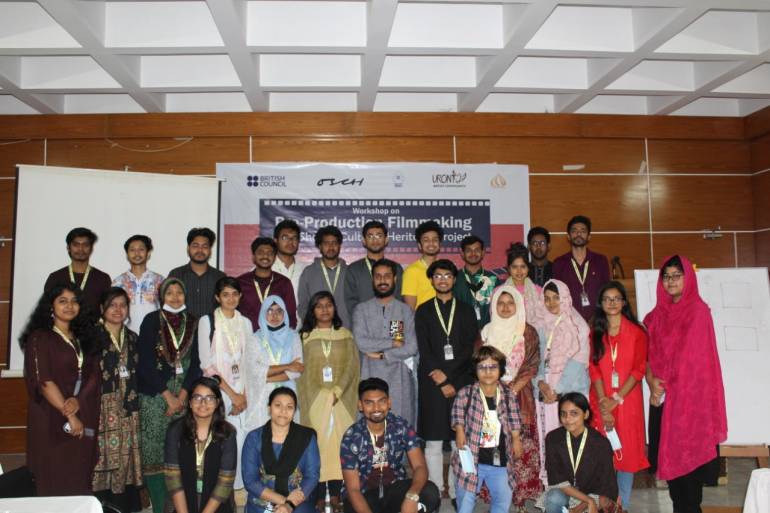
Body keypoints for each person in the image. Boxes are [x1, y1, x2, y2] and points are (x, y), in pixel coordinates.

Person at [644, 255, 727, 513]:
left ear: (687, 278)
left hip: (690, 408)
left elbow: (694, 361)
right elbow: (648, 356)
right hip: (664, 403)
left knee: (690, 486)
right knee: (675, 487)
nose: (670, 281)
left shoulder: (698, 312)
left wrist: (668, 383)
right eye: (666, 276)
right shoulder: (657, 316)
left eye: (676, 276)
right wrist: (651, 380)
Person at [20, 283, 101, 496]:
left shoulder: (84, 337)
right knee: (55, 476)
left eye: (74, 301)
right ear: (51, 305)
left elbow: (93, 375)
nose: (69, 306)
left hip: (83, 411)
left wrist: (78, 400)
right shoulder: (40, 338)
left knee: (79, 475)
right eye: (62, 301)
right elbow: (44, 381)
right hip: (51, 416)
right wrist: (70, 415)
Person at [414, 259, 477, 504]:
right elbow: (424, 348)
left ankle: (456, 487)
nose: (443, 280)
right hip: (432, 381)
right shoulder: (423, 310)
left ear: (454, 279)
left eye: (447, 276)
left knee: (458, 438)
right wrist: (440, 379)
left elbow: (468, 347)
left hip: (460, 380)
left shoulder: (466, 310)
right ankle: (436, 488)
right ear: (431, 280)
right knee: (433, 440)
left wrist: (449, 377)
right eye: (438, 276)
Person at [138, 277, 202, 513]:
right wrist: (168, 396)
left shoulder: (194, 322)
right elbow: (144, 363)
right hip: (155, 398)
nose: (175, 297)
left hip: (184, 398)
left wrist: (183, 396)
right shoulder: (151, 320)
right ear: (161, 296)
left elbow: (197, 363)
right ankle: (159, 508)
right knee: (154, 457)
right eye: (169, 293)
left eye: (179, 292)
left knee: (180, 453)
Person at [198, 276, 269, 492]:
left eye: (235, 294)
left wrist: (244, 395)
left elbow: (249, 360)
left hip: (243, 392)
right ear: (217, 297)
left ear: (240, 296)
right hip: (218, 392)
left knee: (242, 442)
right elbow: (207, 365)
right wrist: (233, 395)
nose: (230, 299)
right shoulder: (207, 321)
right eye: (225, 294)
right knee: (220, 442)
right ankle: (218, 491)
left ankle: (240, 489)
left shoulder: (245, 323)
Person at [296, 291, 360, 510]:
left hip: (342, 401)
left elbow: (352, 366)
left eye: (328, 305)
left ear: (335, 308)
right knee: (319, 445)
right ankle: (317, 494)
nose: (324, 309)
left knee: (340, 445)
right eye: (319, 306)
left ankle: (336, 494)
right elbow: (302, 371)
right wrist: (322, 394)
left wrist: (338, 391)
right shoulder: (304, 337)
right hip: (315, 401)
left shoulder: (346, 335)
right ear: (312, 310)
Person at [588, 281, 649, 509]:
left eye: (616, 299)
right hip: (601, 399)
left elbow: (639, 370)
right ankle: (604, 504)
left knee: (626, 452)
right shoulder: (596, 333)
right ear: (601, 304)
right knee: (603, 453)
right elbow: (593, 368)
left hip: (627, 400)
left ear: (624, 302)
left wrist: (617, 399)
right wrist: (604, 402)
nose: (612, 303)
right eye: (607, 299)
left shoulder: (637, 332)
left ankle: (622, 505)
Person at [481, 284, 542, 509]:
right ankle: (497, 497)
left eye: (510, 303)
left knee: (521, 448)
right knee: (494, 447)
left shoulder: (527, 331)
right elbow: (478, 362)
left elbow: (532, 363)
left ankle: (521, 499)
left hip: (520, 396)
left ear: (518, 305)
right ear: (494, 306)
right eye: (501, 303)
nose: (506, 308)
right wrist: (495, 387)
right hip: (491, 396)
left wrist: (513, 388)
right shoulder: (486, 332)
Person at [341, 377, 441, 513]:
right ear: (360, 405)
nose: (376, 408)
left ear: (389, 403)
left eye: (381, 401)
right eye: (369, 403)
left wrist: (411, 496)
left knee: (430, 492)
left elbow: (420, 466)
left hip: (393, 488)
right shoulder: (352, 437)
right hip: (365, 493)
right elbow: (353, 489)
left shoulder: (400, 426)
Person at [452, 346, 523, 513]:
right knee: (465, 503)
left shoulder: (508, 395)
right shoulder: (466, 393)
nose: (488, 372)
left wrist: (516, 439)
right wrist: (459, 430)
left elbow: (515, 420)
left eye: (493, 367)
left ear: (501, 369)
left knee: (502, 501)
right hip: (471, 461)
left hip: (500, 460)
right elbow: (457, 414)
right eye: (482, 367)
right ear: (475, 370)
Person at [534, 279, 590, 486]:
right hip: (546, 390)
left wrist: (557, 392)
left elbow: (578, 363)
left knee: (572, 436)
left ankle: (576, 486)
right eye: (547, 299)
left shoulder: (578, 326)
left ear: (565, 298)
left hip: (570, 390)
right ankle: (553, 485)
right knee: (550, 438)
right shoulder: (542, 325)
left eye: (556, 298)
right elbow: (536, 359)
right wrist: (540, 383)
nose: (551, 303)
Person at [92, 288, 143, 512]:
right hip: (100, 409)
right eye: (112, 305)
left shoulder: (132, 338)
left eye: (122, 305)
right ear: (102, 308)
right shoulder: (91, 337)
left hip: (128, 408)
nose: (118, 310)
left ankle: (121, 507)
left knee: (125, 461)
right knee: (99, 460)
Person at [351, 258, 417, 426]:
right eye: (378, 276)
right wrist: (393, 343)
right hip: (369, 373)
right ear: (372, 280)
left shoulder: (404, 310)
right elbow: (361, 342)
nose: (382, 280)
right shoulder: (361, 309)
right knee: (370, 425)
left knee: (400, 425)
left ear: (394, 279)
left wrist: (382, 356)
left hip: (399, 376)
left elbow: (411, 347)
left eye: (387, 276)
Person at [164, 376, 237, 513]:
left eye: (210, 398)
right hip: (181, 504)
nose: (203, 403)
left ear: (217, 403)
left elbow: (225, 481)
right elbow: (173, 478)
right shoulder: (175, 430)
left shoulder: (228, 433)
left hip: (217, 505)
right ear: (190, 402)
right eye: (197, 397)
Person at [242, 386, 320, 513]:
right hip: (263, 500)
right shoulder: (254, 438)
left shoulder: (306, 437)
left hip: (298, 501)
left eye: (289, 407)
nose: (283, 411)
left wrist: (290, 505)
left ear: (294, 411)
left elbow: (312, 476)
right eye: (278, 405)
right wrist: (285, 502)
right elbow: (250, 481)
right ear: (269, 408)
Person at [539, 393, 619, 513]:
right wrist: (588, 501)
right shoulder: (553, 438)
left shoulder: (600, 443)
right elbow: (556, 480)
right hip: (566, 493)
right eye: (563, 414)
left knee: (603, 500)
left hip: (594, 497)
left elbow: (606, 485)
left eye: (574, 413)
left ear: (586, 414)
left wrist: (584, 505)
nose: (568, 419)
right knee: (553, 497)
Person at [552, 216, 610, 322]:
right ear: (568, 236)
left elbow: (606, 292)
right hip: (570, 323)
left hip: (597, 322)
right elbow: (557, 297)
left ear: (589, 236)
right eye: (574, 231)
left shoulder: (601, 261)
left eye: (583, 231)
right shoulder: (559, 263)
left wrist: (597, 318)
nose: (578, 234)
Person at [44, 227, 111, 316]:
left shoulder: (103, 278)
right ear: (68, 248)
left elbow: (107, 311)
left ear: (91, 248)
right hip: (62, 325)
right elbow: (46, 310)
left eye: (85, 245)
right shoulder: (55, 278)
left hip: (93, 325)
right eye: (76, 245)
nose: (80, 249)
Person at [344, 221, 404, 316]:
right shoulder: (353, 269)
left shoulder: (396, 268)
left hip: (393, 321)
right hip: (364, 323)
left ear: (386, 240)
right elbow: (351, 304)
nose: (375, 240)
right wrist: (366, 322)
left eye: (379, 236)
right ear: (364, 241)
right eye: (370, 236)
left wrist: (394, 325)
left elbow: (400, 301)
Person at [238, 237, 298, 331]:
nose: (265, 256)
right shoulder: (240, 282)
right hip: (247, 337)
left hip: (277, 338)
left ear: (274, 258)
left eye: (270, 253)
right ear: (253, 257)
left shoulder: (284, 283)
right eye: (260, 252)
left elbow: (291, 316)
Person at [298, 226, 350, 328]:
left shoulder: (350, 272)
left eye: (334, 243)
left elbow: (356, 305)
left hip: (346, 330)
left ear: (340, 246)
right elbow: (303, 306)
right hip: (317, 332)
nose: (331, 247)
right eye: (326, 243)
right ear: (320, 246)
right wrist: (312, 326)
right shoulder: (308, 272)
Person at [251, 295, 304, 395]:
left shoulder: (293, 336)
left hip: (288, 392)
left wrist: (267, 379)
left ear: (285, 313)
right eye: (270, 311)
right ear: (263, 313)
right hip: (262, 393)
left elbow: (298, 369)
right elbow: (254, 369)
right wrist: (287, 366)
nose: (275, 315)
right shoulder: (255, 338)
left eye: (279, 311)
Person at [112, 234, 165, 334]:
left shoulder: (159, 280)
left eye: (141, 249)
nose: (137, 253)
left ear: (148, 253)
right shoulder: (118, 282)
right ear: (127, 254)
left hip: (154, 336)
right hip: (126, 337)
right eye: (132, 250)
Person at [169, 228, 226, 319]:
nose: (200, 250)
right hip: (182, 327)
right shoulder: (176, 274)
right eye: (195, 246)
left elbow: (225, 307)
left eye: (205, 246)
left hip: (213, 327)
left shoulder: (220, 277)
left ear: (210, 250)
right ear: (188, 248)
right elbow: (168, 305)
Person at [453, 235, 499, 329]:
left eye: (477, 250)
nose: (473, 253)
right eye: (469, 250)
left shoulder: (493, 279)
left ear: (483, 252)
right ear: (462, 253)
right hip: (461, 332)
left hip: (488, 332)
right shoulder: (454, 278)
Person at [503, 242, 546, 328]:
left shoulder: (539, 291)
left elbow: (544, 320)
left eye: (523, 266)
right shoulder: (499, 292)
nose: (519, 271)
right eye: (514, 267)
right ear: (508, 269)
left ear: (528, 268)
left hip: (535, 334)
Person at [401, 221, 442, 311]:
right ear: (419, 245)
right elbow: (410, 310)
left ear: (440, 244)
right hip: (422, 319)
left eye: (435, 240)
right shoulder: (411, 271)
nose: (431, 243)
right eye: (426, 240)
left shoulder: (445, 269)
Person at [272, 219, 308, 303]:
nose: (290, 241)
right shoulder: (264, 269)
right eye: (285, 237)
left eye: (294, 238)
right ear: (275, 240)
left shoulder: (306, 269)